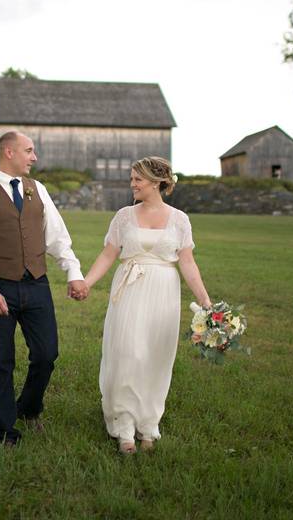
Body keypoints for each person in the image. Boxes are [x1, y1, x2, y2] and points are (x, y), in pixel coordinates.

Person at [0, 131, 89, 446]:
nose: (34, 157)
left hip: (37, 286)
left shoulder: (38, 190)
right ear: (8, 151)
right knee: (1, 361)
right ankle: (7, 430)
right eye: (29, 151)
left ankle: (29, 407)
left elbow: (58, 237)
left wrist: (73, 271)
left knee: (47, 355)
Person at [83, 157, 212, 454]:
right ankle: (124, 423)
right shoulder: (124, 216)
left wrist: (205, 302)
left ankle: (148, 423)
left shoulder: (180, 220)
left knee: (156, 355)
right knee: (128, 353)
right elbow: (108, 255)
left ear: (156, 182)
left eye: (137, 180)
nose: (132, 185)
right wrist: (86, 283)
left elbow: (188, 263)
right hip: (129, 289)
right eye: (132, 179)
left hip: (164, 292)